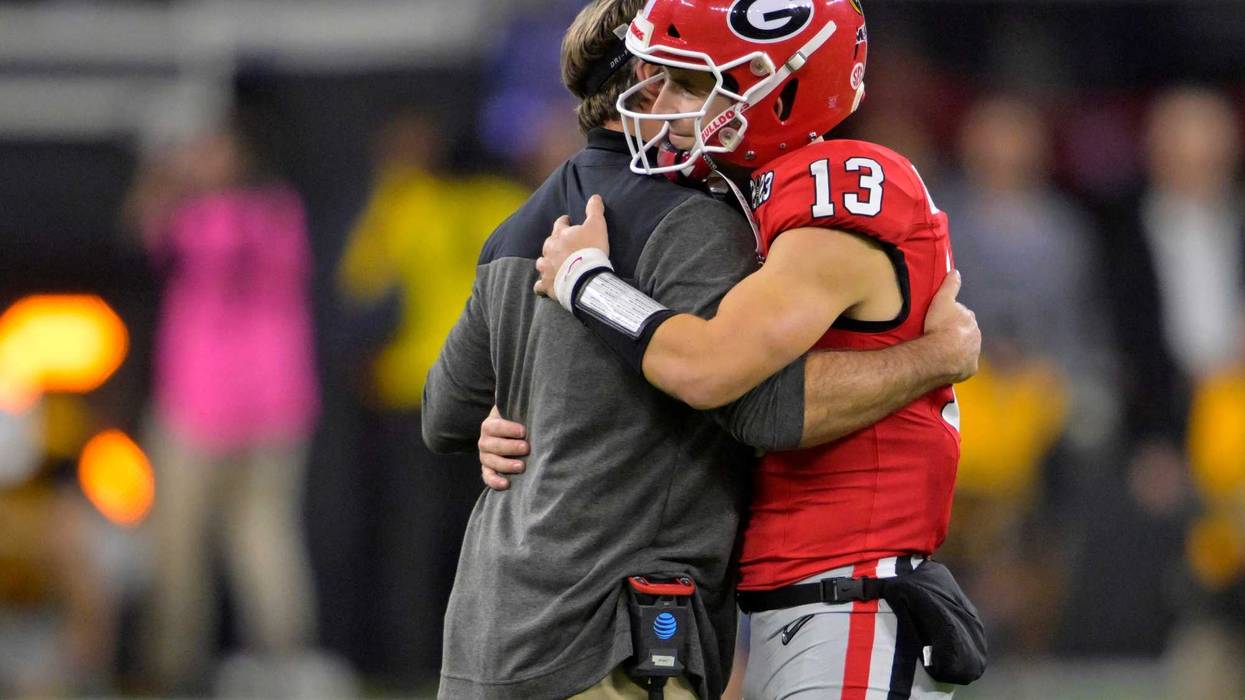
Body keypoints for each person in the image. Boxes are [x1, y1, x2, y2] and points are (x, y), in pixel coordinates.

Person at [424, 1, 978, 698]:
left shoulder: (831, 184)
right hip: (739, 604)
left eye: (689, 82)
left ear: (782, 85)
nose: (666, 103)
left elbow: (719, 374)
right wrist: (514, 411)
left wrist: (586, 282)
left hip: (848, 586)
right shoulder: (733, 204)